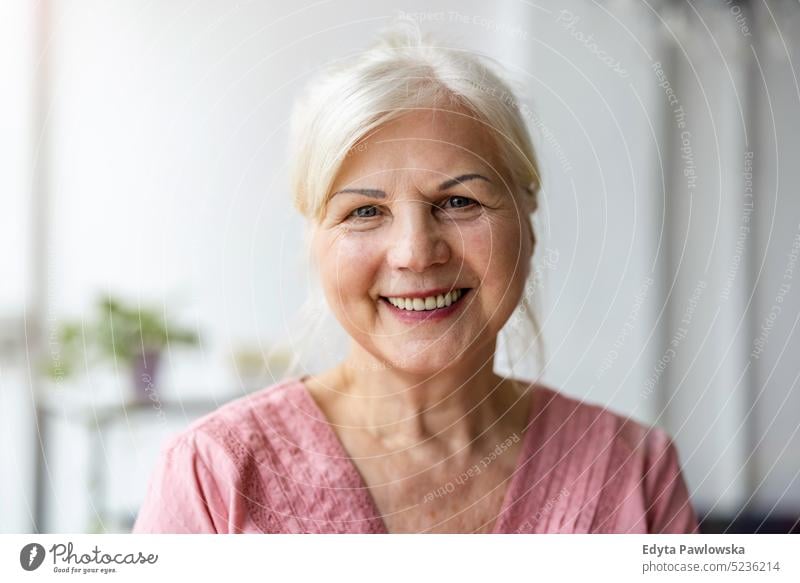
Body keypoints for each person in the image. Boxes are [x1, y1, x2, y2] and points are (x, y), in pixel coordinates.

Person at [133, 25, 699, 534]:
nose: (415, 253)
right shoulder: (213, 475)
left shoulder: (634, 469)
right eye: (364, 212)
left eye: (458, 201)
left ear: (528, 219)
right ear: (315, 239)